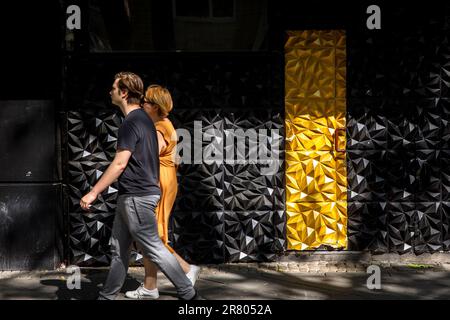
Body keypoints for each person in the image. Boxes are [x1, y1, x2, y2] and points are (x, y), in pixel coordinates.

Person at [80, 72, 200, 300]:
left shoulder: (132, 122)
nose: (110, 91)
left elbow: (119, 163)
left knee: (154, 246)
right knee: (119, 249)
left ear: (123, 93)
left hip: (137, 195)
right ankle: (107, 295)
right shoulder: (146, 120)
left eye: (114, 88)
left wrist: (94, 192)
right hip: (133, 194)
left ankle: (187, 292)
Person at [125, 85, 200, 299]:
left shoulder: (159, 127)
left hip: (159, 182)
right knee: (151, 235)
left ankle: (181, 272)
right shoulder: (162, 124)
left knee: (153, 235)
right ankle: (154, 284)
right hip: (163, 179)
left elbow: (149, 155)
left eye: (146, 101)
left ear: (156, 106)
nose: (142, 104)